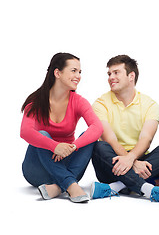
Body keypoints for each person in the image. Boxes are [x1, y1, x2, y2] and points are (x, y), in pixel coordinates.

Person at [90, 55, 159, 202]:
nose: (111, 77)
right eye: (109, 74)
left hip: (139, 158)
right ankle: (147, 189)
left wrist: (132, 159)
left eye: (116, 72)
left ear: (131, 76)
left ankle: (114, 187)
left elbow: (146, 139)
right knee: (99, 146)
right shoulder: (100, 103)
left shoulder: (149, 104)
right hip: (111, 162)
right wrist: (131, 162)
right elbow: (109, 138)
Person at [21, 52, 103, 203]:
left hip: (67, 166)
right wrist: (55, 146)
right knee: (42, 134)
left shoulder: (79, 101)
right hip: (37, 170)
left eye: (80, 72)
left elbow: (97, 128)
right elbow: (25, 132)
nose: (78, 76)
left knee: (89, 136)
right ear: (57, 73)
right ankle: (71, 185)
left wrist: (72, 147)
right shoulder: (36, 101)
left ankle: (57, 187)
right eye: (73, 71)